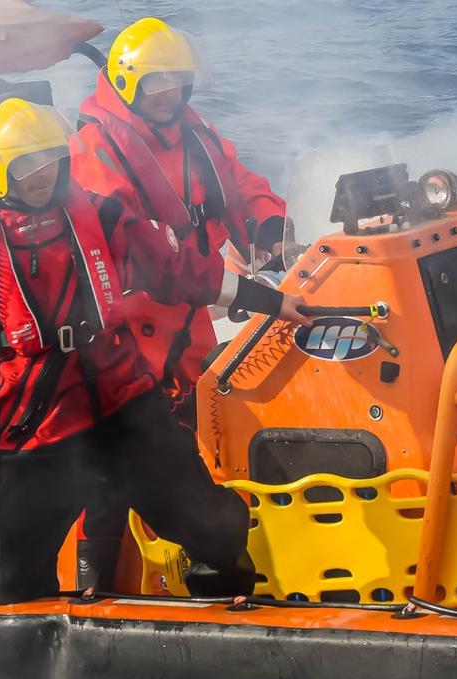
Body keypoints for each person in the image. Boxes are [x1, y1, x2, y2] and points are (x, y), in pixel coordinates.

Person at [0, 99, 308, 605]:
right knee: (7, 580)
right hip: (38, 427)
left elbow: (178, 270)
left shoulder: (101, 217)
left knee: (213, 525)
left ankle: (226, 608)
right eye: (26, 166)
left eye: (51, 160)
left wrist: (272, 302)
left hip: (125, 407)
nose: (42, 175)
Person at [69, 16, 293, 428]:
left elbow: (239, 185)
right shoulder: (97, 152)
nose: (170, 93)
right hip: (132, 330)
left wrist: (271, 228)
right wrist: (243, 292)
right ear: (127, 83)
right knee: (159, 435)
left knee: (209, 418)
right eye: (157, 82)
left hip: (194, 309)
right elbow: (135, 252)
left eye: (178, 80)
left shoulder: (192, 131)